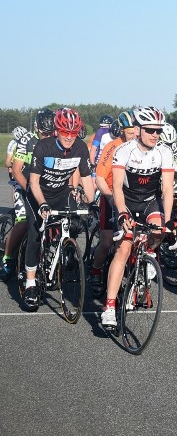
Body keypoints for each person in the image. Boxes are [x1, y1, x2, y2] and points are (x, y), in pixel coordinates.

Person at [100, 107, 175, 329]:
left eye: (158, 131)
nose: (155, 135)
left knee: (160, 229)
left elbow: (168, 190)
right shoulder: (124, 151)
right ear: (139, 129)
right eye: (150, 130)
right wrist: (122, 212)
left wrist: (168, 221)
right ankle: (110, 307)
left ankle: (149, 252)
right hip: (127, 202)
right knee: (124, 248)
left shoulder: (164, 152)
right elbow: (116, 187)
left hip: (150, 200)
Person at [22, 108, 95, 311]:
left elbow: (87, 180)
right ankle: (30, 284)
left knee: (75, 223)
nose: (69, 138)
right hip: (38, 195)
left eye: (73, 133)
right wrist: (43, 204)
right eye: (65, 132)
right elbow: (34, 183)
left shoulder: (80, 148)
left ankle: (59, 253)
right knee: (35, 233)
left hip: (61, 194)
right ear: (57, 130)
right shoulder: (43, 147)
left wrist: (91, 202)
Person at [88, 111, 138, 297]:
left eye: (136, 131)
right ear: (122, 131)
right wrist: (109, 197)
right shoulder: (113, 147)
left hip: (132, 198)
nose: (135, 136)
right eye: (131, 132)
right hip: (110, 195)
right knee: (108, 242)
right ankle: (95, 270)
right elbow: (100, 177)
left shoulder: (141, 147)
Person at [0, 117, 50, 282]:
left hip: (43, 189)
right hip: (23, 185)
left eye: (49, 132)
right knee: (22, 222)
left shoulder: (54, 141)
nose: (46, 135)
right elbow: (15, 169)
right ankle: (7, 258)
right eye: (43, 132)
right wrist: (28, 189)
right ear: (36, 127)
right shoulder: (26, 140)